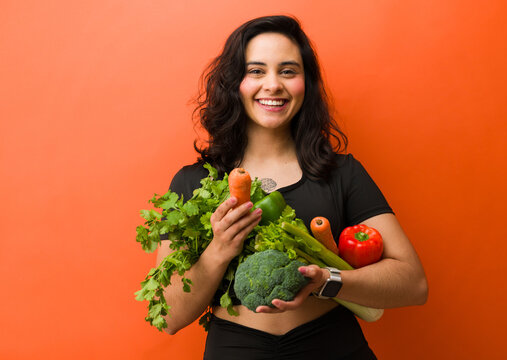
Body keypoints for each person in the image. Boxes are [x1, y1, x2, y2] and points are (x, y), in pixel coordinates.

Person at [156, 15, 428, 359]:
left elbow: (413, 284)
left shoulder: (342, 173)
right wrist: (219, 250)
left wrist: (327, 281)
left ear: (306, 84)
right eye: (256, 71)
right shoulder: (193, 184)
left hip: (333, 347)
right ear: (234, 82)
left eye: (288, 71)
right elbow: (169, 316)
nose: (273, 85)